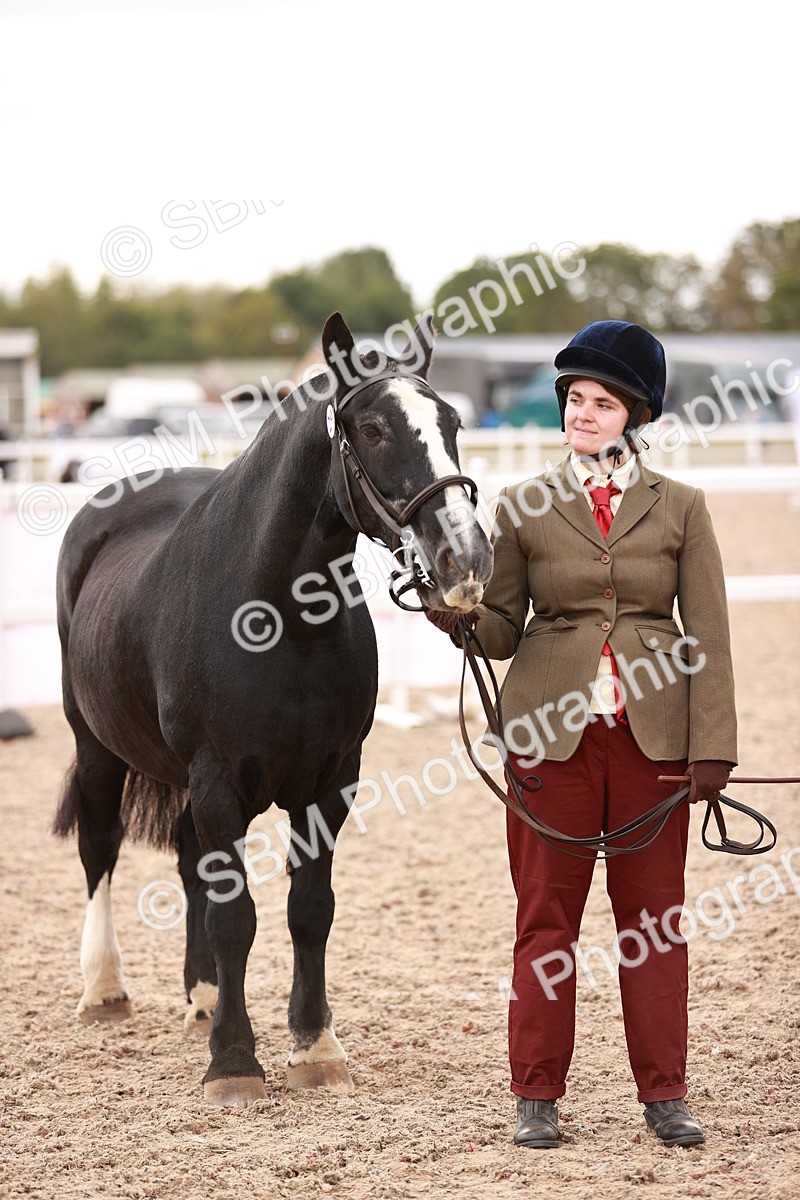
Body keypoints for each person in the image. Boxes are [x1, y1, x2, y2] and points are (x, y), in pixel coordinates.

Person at [427, 321, 737, 1149]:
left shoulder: (683, 508)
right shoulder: (523, 505)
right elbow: (500, 628)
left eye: (601, 402)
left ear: (634, 415)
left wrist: (714, 747)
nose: (583, 414)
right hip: (548, 740)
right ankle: (536, 1094)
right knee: (546, 921)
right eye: (574, 399)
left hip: (654, 742)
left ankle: (664, 1094)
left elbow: (707, 628)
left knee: (652, 923)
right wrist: (456, 616)